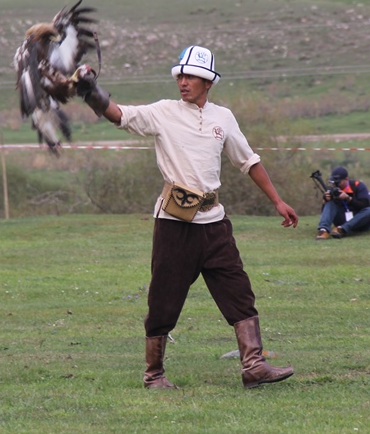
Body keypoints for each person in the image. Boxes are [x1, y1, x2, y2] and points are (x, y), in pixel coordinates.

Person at [75, 45, 298, 389]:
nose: (183, 81)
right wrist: (91, 92)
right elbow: (120, 115)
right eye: (180, 75)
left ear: (208, 81)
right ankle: (154, 375)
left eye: (190, 75)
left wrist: (278, 201)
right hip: (173, 225)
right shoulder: (163, 112)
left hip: (215, 224)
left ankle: (253, 366)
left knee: (239, 293)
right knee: (163, 300)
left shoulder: (223, 118)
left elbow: (248, 161)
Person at [315, 165, 370, 240]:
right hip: (342, 219)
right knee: (330, 202)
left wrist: (348, 198)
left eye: (338, 182)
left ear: (346, 179)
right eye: (333, 182)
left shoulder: (358, 185)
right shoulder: (332, 190)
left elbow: (365, 204)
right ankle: (323, 230)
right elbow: (326, 212)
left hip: (358, 220)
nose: (335, 184)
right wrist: (325, 200)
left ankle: (342, 229)